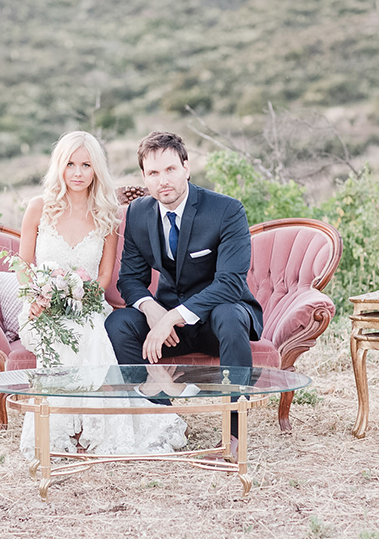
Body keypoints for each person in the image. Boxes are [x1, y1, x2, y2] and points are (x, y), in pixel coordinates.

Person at [16, 130, 187, 459]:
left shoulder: (106, 214)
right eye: (70, 164)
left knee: (94, 333)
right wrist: (40, 296)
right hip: (41, 307)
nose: (77, 173)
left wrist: (76, 295)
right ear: (59, 167)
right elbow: (23, 267)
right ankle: (66, 430)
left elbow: (105, 278)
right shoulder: (38, 208)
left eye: (86, 165)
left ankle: (97, 432)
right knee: (63, 336)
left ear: (96, 170)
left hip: (88, 304)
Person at [105, 131, 263, 450]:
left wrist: (174, 317)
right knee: (118, 324)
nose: (163, 180)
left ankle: (235, 434)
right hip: (169, 323)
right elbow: (129, 281)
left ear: (186, 168)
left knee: (231, 316)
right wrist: (155, 312)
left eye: (170, 169)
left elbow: (230, 283)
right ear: (144, 178)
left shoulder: (226, 211)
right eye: (153, 173)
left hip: (216, 321)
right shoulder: (137, 214)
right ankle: (160, 421)